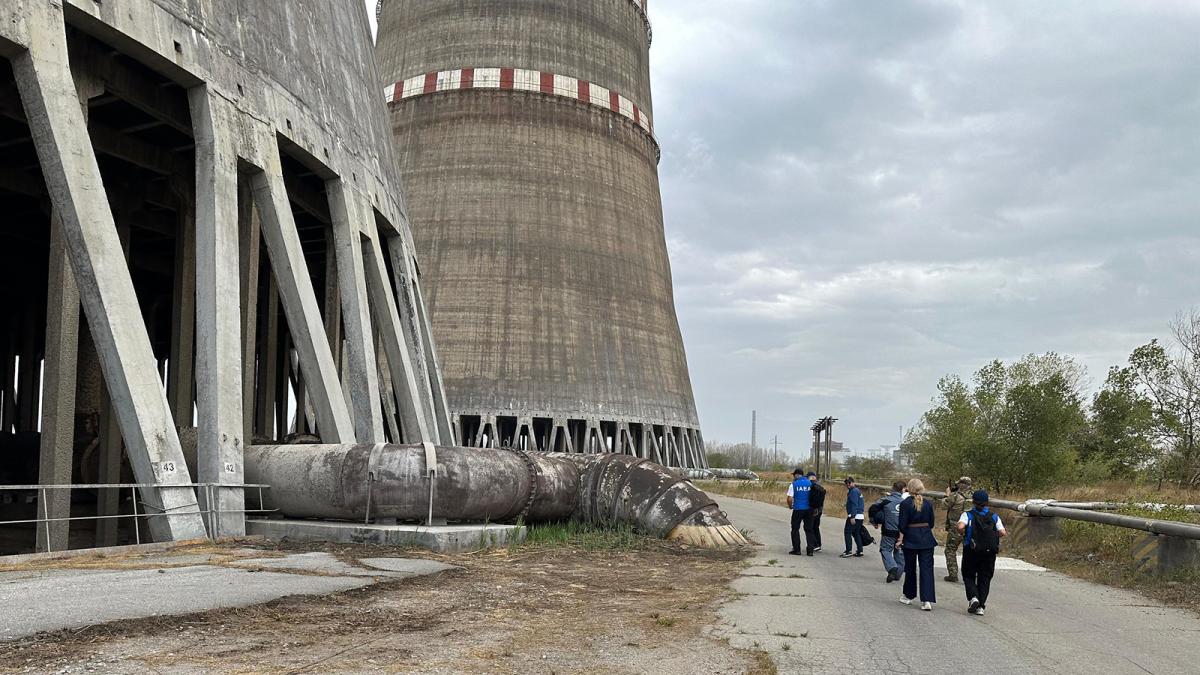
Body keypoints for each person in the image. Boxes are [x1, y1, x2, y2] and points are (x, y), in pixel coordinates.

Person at [958, 489, 1007, 615]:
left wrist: (962, 533)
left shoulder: (967, 515)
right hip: (989, 552)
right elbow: (1002, 532)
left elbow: (960, 527)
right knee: (985, 577)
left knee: (968, 575)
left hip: (972, 549)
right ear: (987, 503)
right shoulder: (994, 516)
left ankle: (973, 597)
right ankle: (981, 607)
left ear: (973, 502)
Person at [898, 478, 937, 610]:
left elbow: (902, 525)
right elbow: (931, 523)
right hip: (926, 538)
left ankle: (908, 595)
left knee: (910, 568)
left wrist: (905, 533)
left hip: (911, 539)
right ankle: (927, 600)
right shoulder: (927, 503)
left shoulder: (905, 504)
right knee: (927, 569)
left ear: (909, 488)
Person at [869, 480, 908, 583]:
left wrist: (874, 521)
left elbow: (872, 509)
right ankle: (897, 574)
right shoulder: (906, 502)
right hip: (903, 532)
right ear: (903, 490)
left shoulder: (886, 500)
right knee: (899, 552)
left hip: (888, 531)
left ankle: (892, 568)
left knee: (885, 550)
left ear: (892, 488)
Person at [941, 476, 972, 582]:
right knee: (969, 551)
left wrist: (947, 495)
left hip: (956, 526)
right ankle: (970, 575)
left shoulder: (955, 496)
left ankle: (953, 574)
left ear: (960, 484)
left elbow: (944, 505)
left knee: (950, 550)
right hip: (971, 527)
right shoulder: (974, 496)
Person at [786, 468, 815, 556]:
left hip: (798, 509)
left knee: (795, 529)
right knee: (809, 530)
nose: (794, 476)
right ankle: (810, 550)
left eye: (794, 475)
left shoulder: (794, 484)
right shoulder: (810, 483)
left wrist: (790, 506)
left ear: (797, 475)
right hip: (809, 510)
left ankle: (797, 549)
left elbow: (790, 498)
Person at [840, 477, 865, 558]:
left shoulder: (853, 492)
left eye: (849, 483)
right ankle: (860, 551)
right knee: (856, 533)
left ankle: (848, 551)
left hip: (855, 515)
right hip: (860, 515)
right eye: (846, 483)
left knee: (847, 532)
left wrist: (852, 516)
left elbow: (854, 504)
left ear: (853, 482)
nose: (848, 485)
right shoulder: (857, 491)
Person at [806, 471, 826, 552]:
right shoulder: (820, 486)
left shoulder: (810, 486)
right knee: (816, 527)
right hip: (820, 510)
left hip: (813, 510)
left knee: (810, 527)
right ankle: (818, 544)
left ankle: (815, 544)